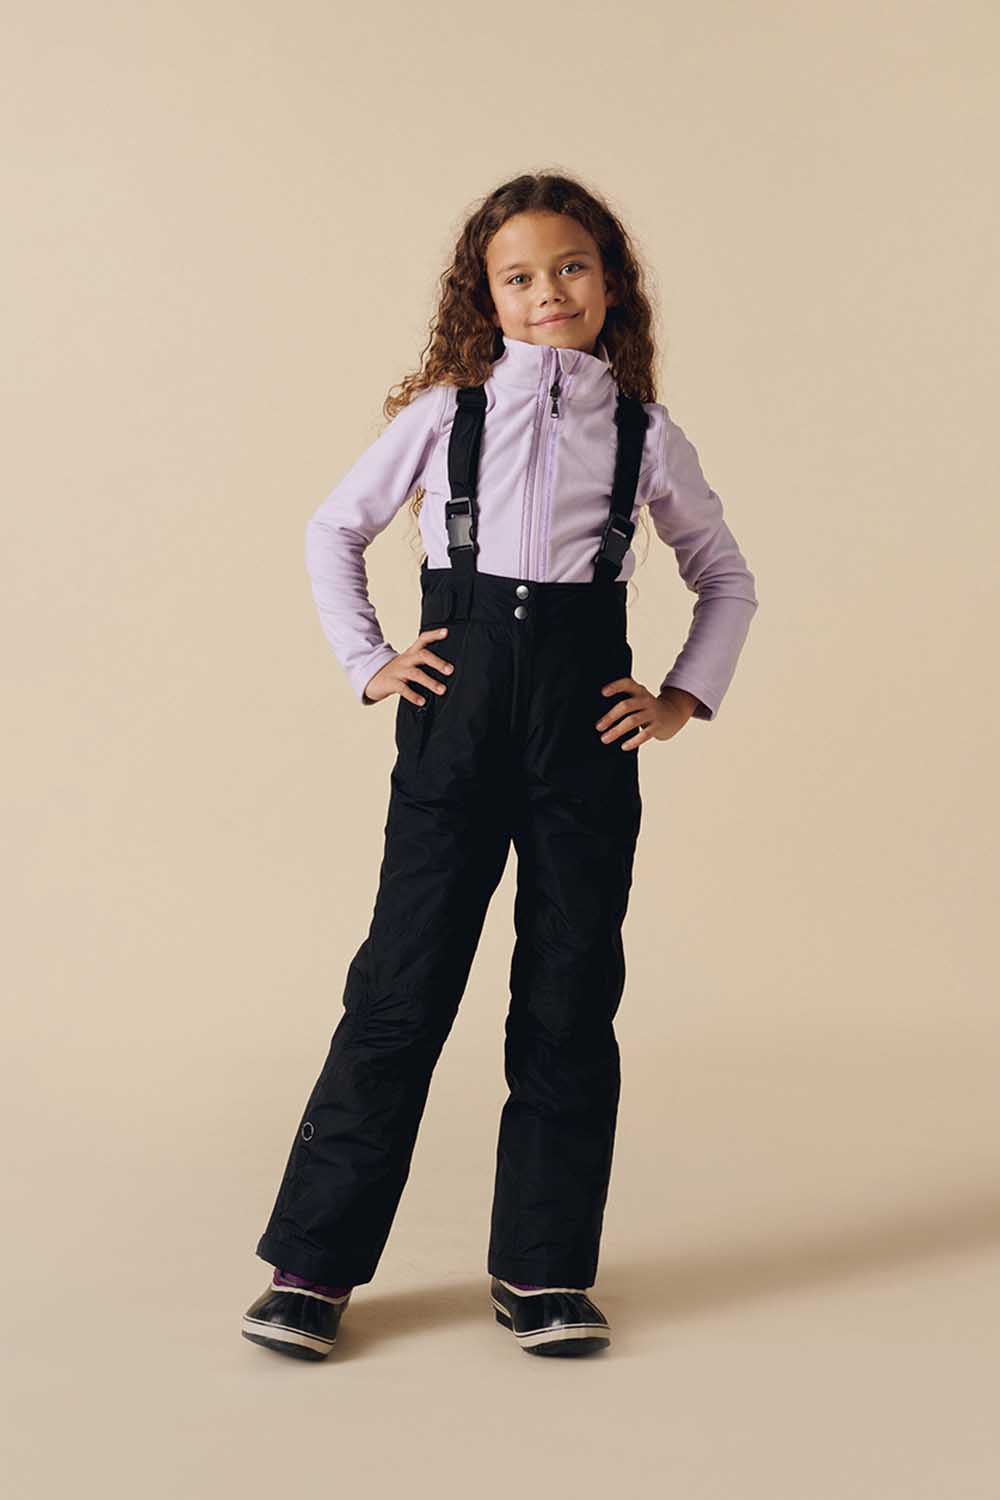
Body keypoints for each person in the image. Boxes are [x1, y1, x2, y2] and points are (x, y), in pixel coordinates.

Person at [241, 171, 759, 1361]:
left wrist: (680, 697)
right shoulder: (445, 414)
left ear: (610, 282)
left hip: (584, 737)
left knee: (570, 997)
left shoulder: (645, 434)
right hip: (455, 725)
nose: (547, 292)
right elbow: (334, 528)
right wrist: (370, 659)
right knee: (399, 988)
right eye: (518, 277)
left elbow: (725, 576)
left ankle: (542, 1270)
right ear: (485, 297)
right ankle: (311, 1268)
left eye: (570, 268)